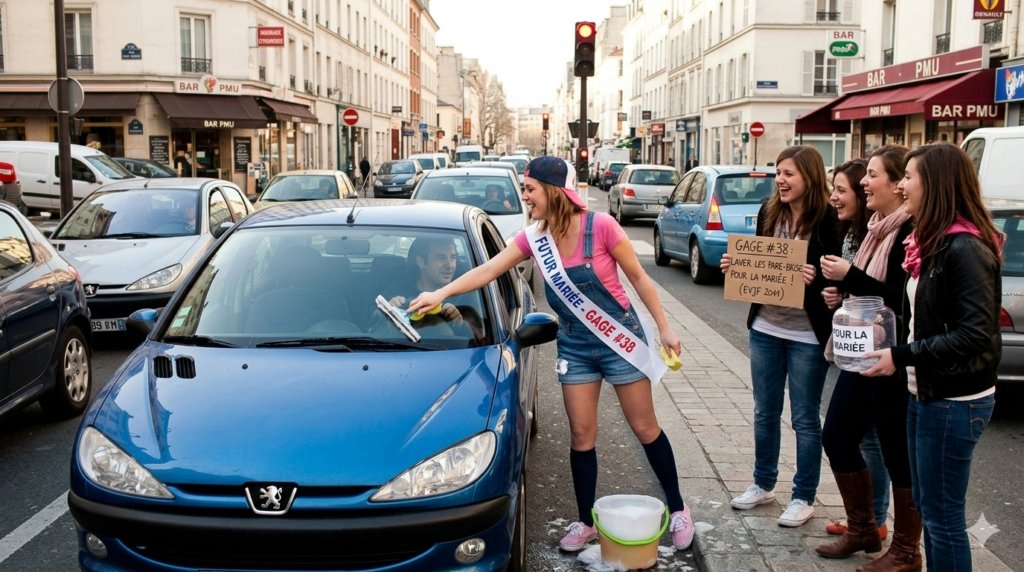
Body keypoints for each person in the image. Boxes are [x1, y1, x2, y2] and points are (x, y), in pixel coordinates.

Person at [407, 156, 695, 553]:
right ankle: (585, 521)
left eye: (530, 189)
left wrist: (664, 327)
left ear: (554, 191)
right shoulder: (534, 237)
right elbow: (489, 270)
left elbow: (640, 278)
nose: (524, 197)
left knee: (645, 428)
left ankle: (678, 509)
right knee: (581, 435)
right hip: (575, 345)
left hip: (618, 340)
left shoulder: (602, 227)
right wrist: (440, 294)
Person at [861, 143, 1002, 571]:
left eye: (909, 177)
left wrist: (900, 354)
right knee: (929, 505)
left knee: (942, 518)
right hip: (925, 394)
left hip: (953, 402)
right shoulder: (933, 243)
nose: (901, 185)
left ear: (935, 184)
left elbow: (974, 335)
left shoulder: (965, 249)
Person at [719, 145, 840, 527]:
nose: (780, 180)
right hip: (766, 328)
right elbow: (760, 266)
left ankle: (803, 495)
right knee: (764, 412)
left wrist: (816, 278)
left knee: (805, 418)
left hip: (807, 334)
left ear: (810, 177)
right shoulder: (769, 212)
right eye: (778, 172)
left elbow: (837, 277)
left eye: (788, 173)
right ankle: (763, 484)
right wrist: (735, 267)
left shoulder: (829, 220)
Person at [816, 147, 915, 565]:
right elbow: (870, 294)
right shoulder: (875, 227)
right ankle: (862, 531)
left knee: (896, 454)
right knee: (836, 436)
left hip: (892, 358)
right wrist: (843, 293)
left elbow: (902, 302)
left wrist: (850, 277)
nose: (863, 184)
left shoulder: (909, 232)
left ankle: (906, 550)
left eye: (872, 176)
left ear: (897, 185)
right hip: (862, 353)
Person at [382, 236, 470, 327]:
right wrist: (386, 312)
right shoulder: (395, 291)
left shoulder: (464, 295)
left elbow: (477, 336)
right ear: (421, 261)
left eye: (453, 257)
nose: (449, 265)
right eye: (441, 258)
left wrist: (458, 321)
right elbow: (372, 328)